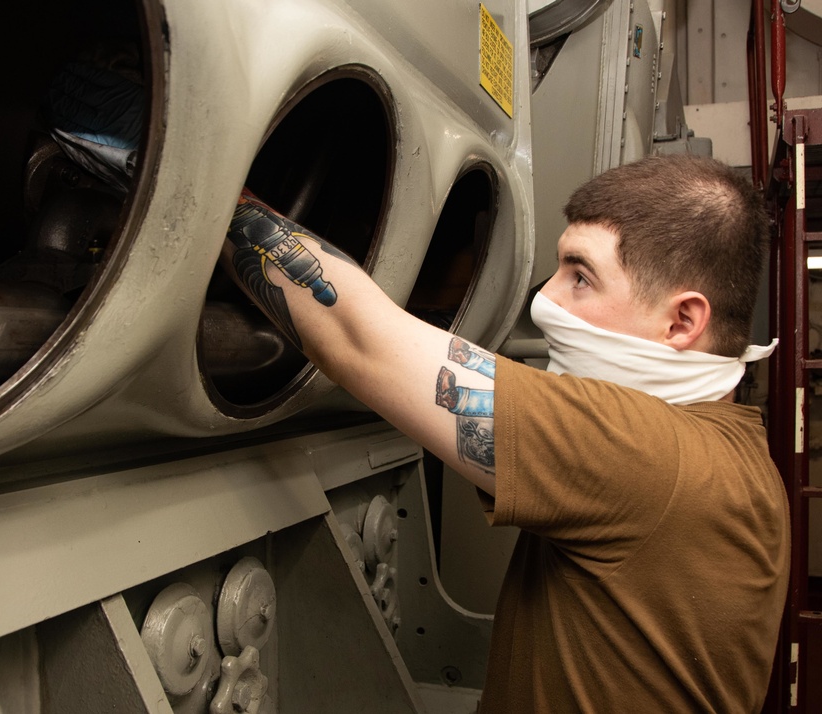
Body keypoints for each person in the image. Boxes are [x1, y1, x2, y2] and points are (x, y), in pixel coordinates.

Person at [221, 154, 790, 713]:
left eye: (581, 277)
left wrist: (212, 191)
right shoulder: (729, 450)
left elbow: (356, 337)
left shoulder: (654, 456)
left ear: (682, 322)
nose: (546, 301)